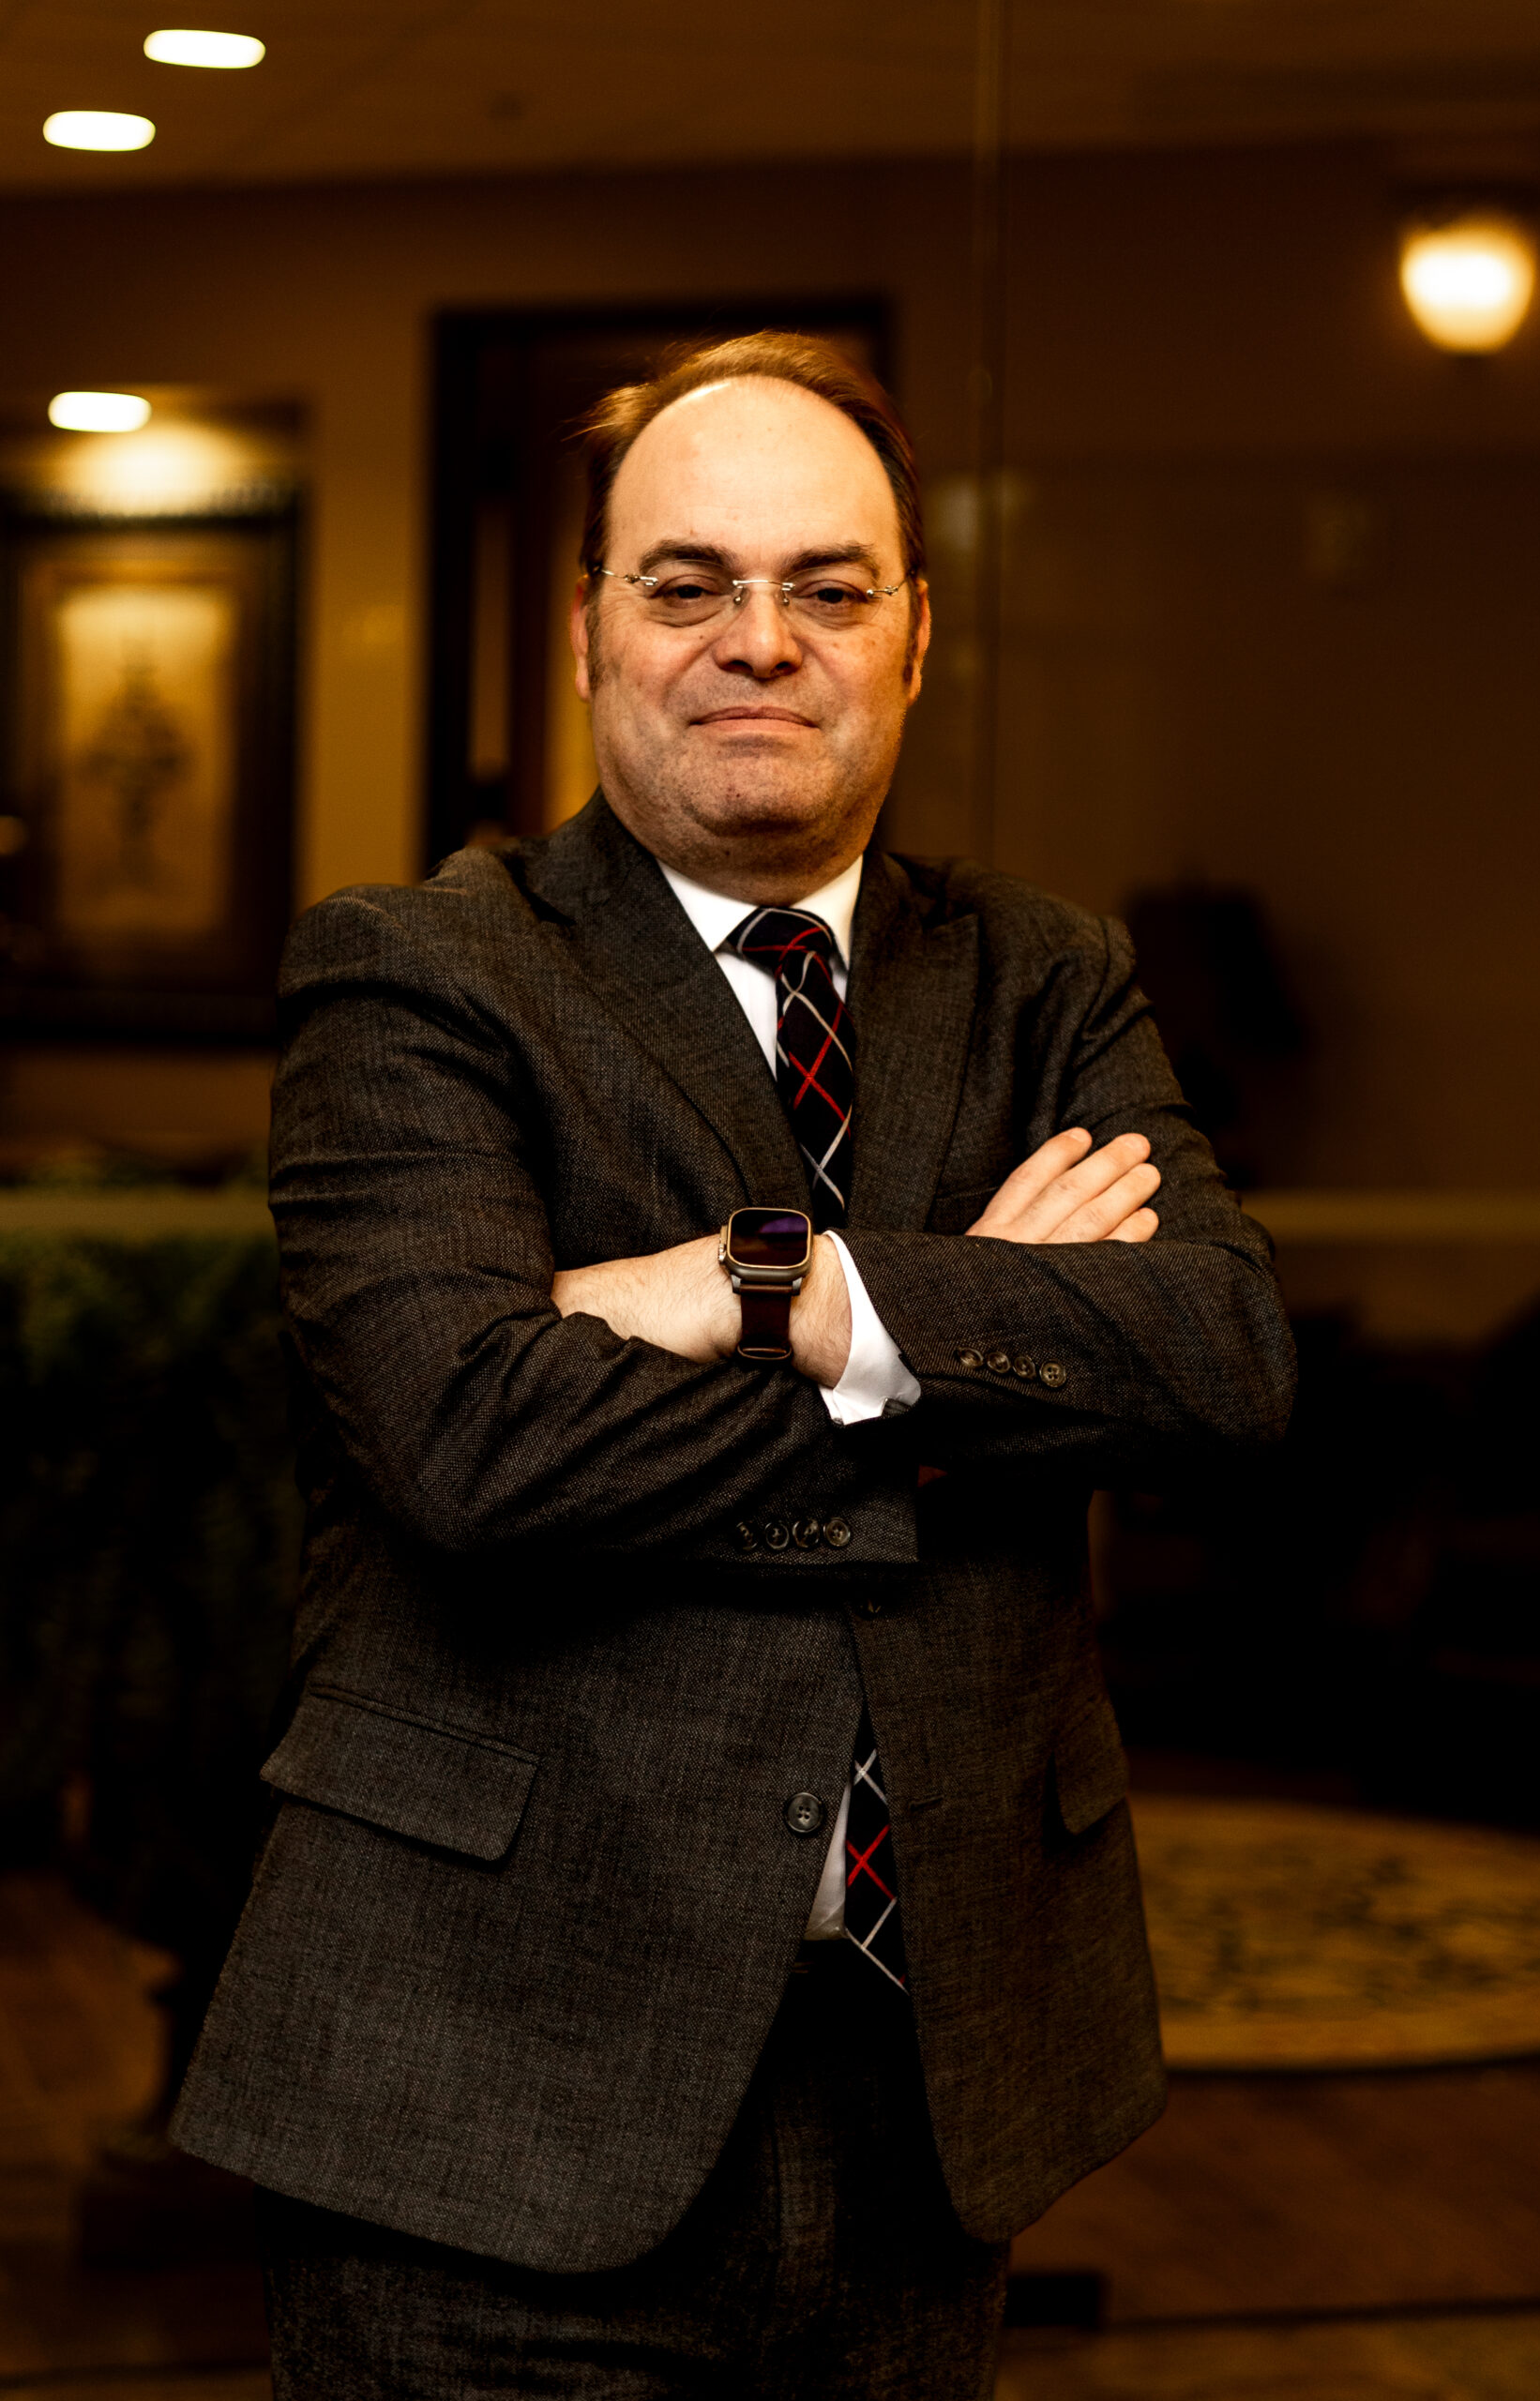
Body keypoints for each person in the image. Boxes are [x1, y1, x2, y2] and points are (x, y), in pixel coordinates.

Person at [173, 332, 1295, 2398]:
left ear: (916, 633)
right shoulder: (419, 972)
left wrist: (739, 1289)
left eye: (827, 584)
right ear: (590, 628)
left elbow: (1212, 1356)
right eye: (685, 583)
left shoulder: (1044, 976)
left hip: (927, 2093)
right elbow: (467, 1437)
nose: (755, 640)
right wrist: (957, 1354)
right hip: (480, 2091)